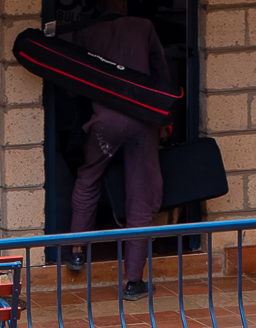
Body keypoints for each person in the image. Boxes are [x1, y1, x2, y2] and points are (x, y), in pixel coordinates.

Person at [65, 0, 169, 298]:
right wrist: (164, 124)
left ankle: (76, 253)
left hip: (104, 123)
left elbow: (75, 87)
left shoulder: (86, 33)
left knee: (87, 179)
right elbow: (162, 82)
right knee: (140, 198)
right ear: (123, 2)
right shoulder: (144, 26)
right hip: (141, 120)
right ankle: (134, 283)